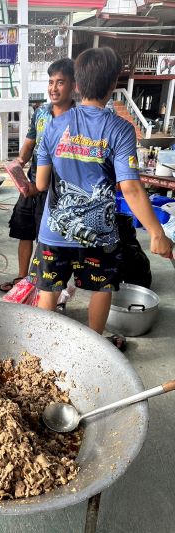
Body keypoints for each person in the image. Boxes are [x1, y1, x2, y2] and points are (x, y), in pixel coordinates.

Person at [30, 47, 173, 339]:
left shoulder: (54, 125)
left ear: (77, 85)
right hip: (99, 236)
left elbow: (42, 184)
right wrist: (157, 233)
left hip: (54, 233)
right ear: (112, 85)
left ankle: (41, 351)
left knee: (48, 291)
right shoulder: (120, 129)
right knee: (100, 288)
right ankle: (94, 346)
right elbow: (130, 188)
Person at [0, 58, 76, 292]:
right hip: (30, 183)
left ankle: (41, 285)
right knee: (24, 231)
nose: (53, 88)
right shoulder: (41, 112)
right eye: (51, 82)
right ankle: (23, 280)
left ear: (74, 85)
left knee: (47, 239)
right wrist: (20, 161)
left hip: (57, 191)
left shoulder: (79, 118)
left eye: (60, 82)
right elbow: (30, 141)